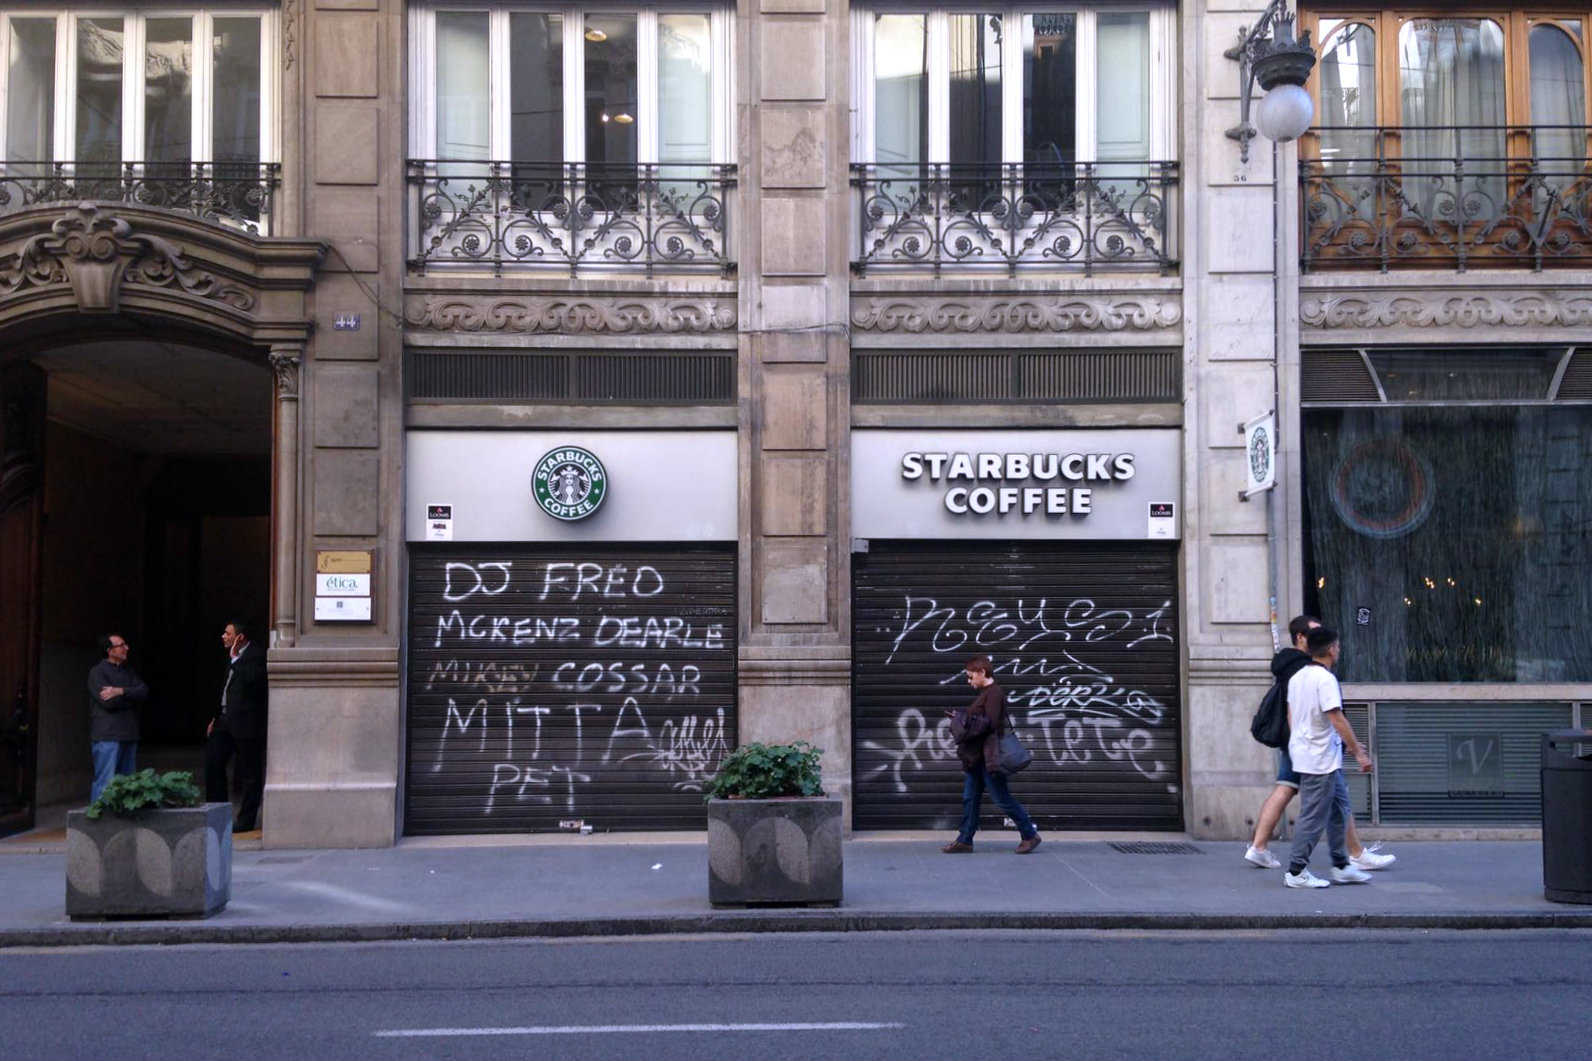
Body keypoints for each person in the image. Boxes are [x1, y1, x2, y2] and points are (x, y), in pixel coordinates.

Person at [1244, 614, 1395, 872]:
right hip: (1314, 746)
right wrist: (1354, 749)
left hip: (1301, 743)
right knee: (1317, 808)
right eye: (1315, 632)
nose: (1320, 636)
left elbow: (1294, 711)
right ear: (1301, 638)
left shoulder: (1292, 668)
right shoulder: (1309, 671)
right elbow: (1332, 713)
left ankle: (1263, 848)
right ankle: (1315, 865)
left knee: (1304, 792)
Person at [1283, 626, 1375, 888]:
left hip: (1317, 755)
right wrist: (1358, 751)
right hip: (1319, 759)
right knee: (1313, 816)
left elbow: (1292, 715)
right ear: (1332, 649)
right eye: (1338, 646)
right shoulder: (1325, 680)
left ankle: (1341, 865)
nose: (1339, 650)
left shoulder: (1297, 677)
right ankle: (1296, 871)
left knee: (1339, 810)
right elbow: (1336, 717)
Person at [940, 655, 1042, 855]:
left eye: (971, 676)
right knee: (970, 798)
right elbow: (981, 720)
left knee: (1001, 798)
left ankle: (1030, 835)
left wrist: (963, 721)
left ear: (982, 672)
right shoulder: (985, 693)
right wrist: (961, 717)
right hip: (977, 759)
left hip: (990, 759)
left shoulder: (994, 693)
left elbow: (990, 723)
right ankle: (965, 840)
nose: (969, 681)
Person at [205, 620, 268, 833]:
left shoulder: (256, 655)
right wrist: (215, 717)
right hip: (224, 720)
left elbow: (254, 681)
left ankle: (246, 821)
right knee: (214, 763)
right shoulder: (232, 657)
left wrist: (236, 660)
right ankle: (217, 814)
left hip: (246, 723)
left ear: (240, 637)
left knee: (250, 773)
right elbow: (226, 688)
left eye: (228, 633)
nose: (223, 636)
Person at [86, 633, 148, 803]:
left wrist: (119, 691)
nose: (126, 648)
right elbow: (109, 703)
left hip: (129, 733)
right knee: (105, 783)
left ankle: (122, 819)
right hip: (107, 735)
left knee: (128, 784)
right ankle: (99, 817)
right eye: (121, 645)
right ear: (109, 650)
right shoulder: (97, 672)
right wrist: (131, 697)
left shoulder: (128, 671)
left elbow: (143, 692)